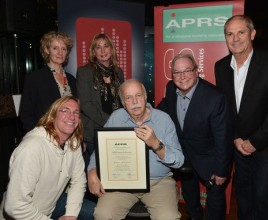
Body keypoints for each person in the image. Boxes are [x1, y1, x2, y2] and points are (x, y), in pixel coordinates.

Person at [215, 15, 268, 220]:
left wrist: (254, 142)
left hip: (267, 145)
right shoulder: (220, 67)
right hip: (238, 143)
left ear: (253, 33)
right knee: (243, 194)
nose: (235, 38)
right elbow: (225, 108)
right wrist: (236, 138)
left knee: (262, 195)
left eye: (241, 32)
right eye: (229, 34)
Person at [87, 79, 184, 220]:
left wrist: (156, 144)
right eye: (128, 98)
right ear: (123, 103)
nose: (134, 101)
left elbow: (179, 161)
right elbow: (100, 149)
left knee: (168, 217)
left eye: (138, 95)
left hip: (158, 182)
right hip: (122, 182)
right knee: (103, 215)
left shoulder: (163, 119)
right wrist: (92, 170)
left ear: (145, 97)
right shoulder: (116, 118)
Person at [157, 53, 233, 220]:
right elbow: (164, 108)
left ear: (196, 71)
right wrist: (144, 114)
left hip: (210, 158)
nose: (182, 77)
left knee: (215, 203)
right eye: (176, 72)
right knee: (190, 196)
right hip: (184, 156)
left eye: (187, 71)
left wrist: (221, 170)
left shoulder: (216, 98)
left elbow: (223, 139)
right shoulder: (171, 88)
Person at [0, 96, 93, 219]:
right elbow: (15, 206)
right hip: (22, 215)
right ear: (52, 115)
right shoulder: (31, 148)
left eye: (76, 112)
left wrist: (71, 215)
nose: (72, 116)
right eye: (65, 111)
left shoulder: (73, 142)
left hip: (51, 206)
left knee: (94, 212)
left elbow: (78, 181)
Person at [76, 33, 124, 164]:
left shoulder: (118, 72)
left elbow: (122, 102)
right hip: (94, 131)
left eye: (106, 46)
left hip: (117, 130)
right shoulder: (84, 72)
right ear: (93, 51)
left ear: (111, 49)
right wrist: (110, 122)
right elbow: (85, 105)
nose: (103, 51)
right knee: (97, 171)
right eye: (98, 47)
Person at [19, 31, 77, 133]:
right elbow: (26, 113)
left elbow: (77, 112)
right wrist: (38, 136)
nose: (60, 52)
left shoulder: (71, 79)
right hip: (45, 135)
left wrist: (79, 138)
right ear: (47, 50)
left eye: (64, 49)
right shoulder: (35, 78)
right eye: (55, 48)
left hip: (70, 135)